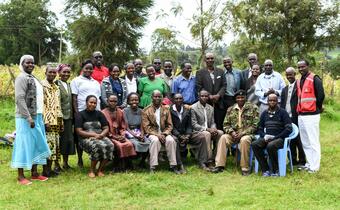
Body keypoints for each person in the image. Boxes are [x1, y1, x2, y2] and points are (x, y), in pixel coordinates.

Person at [12, 55, 50, 185]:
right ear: (22, 63)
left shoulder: (33, 77)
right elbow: (19, 98)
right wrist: (28, 117)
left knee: (36, 144)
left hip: (38, 115)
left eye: (32, 63)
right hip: (25, 118)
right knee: (24, 144)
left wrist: (40, 116)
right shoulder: (21, 78)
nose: (31, 65)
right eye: (27, 62)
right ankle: (20, 176)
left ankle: (34, 173)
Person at [211, 90, 259, 176]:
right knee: (223, 137)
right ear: (235, 99)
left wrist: (243, 133)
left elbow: (255, 125)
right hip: (234, 134)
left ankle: (245, 168)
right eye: (238, 98)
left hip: (247, 134)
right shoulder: (230, 109)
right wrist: (232, 132)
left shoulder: (253, 108)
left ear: (245, 98)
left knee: (244, 140)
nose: (240, 99)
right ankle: (219, 165)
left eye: (242, 97)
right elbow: (225, 124)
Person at [252, 94, 292, 177]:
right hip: (267, 137)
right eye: (270, 100)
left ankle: (275, 170)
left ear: (277, 101)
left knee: (270, 146)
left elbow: (288, 129)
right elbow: (260, 128)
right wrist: (264, 136)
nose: (272, 102)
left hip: (280, 139)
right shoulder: (264, 113)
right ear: (267, 102)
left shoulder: (283, 112)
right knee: (255, 145)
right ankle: (265, 169)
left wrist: (275, 137)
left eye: (274, 100)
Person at [70, 59, 101, 167]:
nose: (89, 70)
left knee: (96, 133)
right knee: (80, 135)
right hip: (82, 113)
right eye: (86, 68)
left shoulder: (96, 82)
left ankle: (97, 156)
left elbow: (99, 97)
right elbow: (74, 98)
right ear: (82, 68)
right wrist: (77, 113)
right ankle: (80, 159)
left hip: (95, 112)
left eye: (91, 68)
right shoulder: (76, 81)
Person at [75, 95, 114, 178]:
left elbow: (106, 127)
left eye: (94, 103)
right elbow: (79, 131)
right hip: (85, 138)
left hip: (100, 136)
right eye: (91, 102)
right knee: (96, 146)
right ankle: (92, 170)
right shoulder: (80, 114)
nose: (92, 104)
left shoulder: (99, 114)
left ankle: (100, 169)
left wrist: (102, 135)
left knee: (110, 145)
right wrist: (94, 135)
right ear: (86, 103)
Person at [296, 60, 325, 173]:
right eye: (299, 67)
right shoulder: (300, 80)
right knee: (305, 142)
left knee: (313, 141)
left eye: (303, 67)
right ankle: (309, 164)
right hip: (301, 115)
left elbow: (321, 95)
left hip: (312, 115)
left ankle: (315, 167)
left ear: (308, 66)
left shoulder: (315, 78)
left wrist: (317, 107)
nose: (301, 69)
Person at [142, 90, 178, 173]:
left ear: (162, 98)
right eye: (155, 96)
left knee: (171, 140)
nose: (157, 98)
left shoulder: (166, 109)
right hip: (152, 133)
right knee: (155, 141)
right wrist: (158, 135)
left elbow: (170, 125)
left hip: (164, 132)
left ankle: (173, 165)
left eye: (159, 96)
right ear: (152, 98)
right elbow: (147, 128)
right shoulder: (146, 110)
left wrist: (164, 134)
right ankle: (153, 166)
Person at [171, 93, 209, 172]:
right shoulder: (169, 111)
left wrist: (188, 135)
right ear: (173, 100)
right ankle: (179, 164)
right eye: (176, 99)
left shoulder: (187, 110)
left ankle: (202, 162)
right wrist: (179, 136)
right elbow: (171, 127)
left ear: (183, 100)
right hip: (176, 134)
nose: (178, 100)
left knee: (201, 137)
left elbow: (189, 125)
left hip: (187, 134)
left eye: (180, 98)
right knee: (174, 141)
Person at [102, 94, 137, 171]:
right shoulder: (103, 113)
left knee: (129, 144)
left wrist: (122, 135)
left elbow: (123, 126)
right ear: (107, 102)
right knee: (119, 145)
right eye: (111, 101)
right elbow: (104, 128)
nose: (113, 103)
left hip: (120, 135)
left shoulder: (120, 111)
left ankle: (127, 164)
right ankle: (119, 166)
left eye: (115, 101)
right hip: (108, 136)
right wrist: (114, 136)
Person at [41, 66, 64, 177]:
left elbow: (58, 104)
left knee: (55, 145)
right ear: (45, 72)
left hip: (57, 119)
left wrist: (61, 121)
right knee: (48, 145)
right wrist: (45, 121)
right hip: (48, 120)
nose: (52, 74)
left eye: (54, 72)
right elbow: (42, 105)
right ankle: (45, 170)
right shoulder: (42, 85)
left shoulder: (56, 86)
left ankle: (49, 169)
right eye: (50, 72)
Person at [281, 67, 306, 166]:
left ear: (295, 74)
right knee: (290, 140)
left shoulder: (299, 86)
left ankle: (302, 160)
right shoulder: (285, 89)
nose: (289, 76)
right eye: (287, 75)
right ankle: (293, 160)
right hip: (287, 118)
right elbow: (282, 104)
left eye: (290, 74)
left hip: (297, 116)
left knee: (299, 139)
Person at [191, 90, 223, 166]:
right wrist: (207, 129)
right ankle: (208, 159)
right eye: (202, 96)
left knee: (220, 133)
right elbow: (194, 124)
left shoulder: (211, 108)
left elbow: (212, 122)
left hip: (209, 130)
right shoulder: (193, 107)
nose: (204, 97)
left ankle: (216, 157)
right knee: (207, 134)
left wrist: (214, 128)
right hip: (197, 131)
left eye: (206, 96)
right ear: (199, 97)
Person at [196, 52, 226, 130]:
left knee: (219, 125)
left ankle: (218, 142)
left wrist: (218, 95)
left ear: (214, 60)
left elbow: (224, 85)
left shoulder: (220, 71)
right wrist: (209, 96)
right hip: (206, 103)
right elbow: (199, 86)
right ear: (205, 60)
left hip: (219, 103)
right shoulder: (200, 72)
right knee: (207, 124)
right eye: (208, 58)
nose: (210, 60)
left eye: (212, 58)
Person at [55, 64, 75, 170]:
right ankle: (56, 164)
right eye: (64, 72)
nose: (66, 74)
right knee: (58, 140)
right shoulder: (55, 84)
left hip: (68, 117)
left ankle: (65, 163)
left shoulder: (69, 85)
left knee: (67, 140)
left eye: (68, 72)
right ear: (59, 73)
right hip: (59, 117)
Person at [123, 93, 151, 168]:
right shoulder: (125, 111)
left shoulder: (141, 111)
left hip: (138, 131)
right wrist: (135, 136)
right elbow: (126, 127)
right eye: (132, 100)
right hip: (129, 132)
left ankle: (142, 162)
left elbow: (142, 126)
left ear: (139, 101)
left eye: (136, 100)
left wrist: (141, 134)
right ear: (128, 102)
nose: (134, 102)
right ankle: (129, 162)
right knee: (134, 143)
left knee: (148, 142)